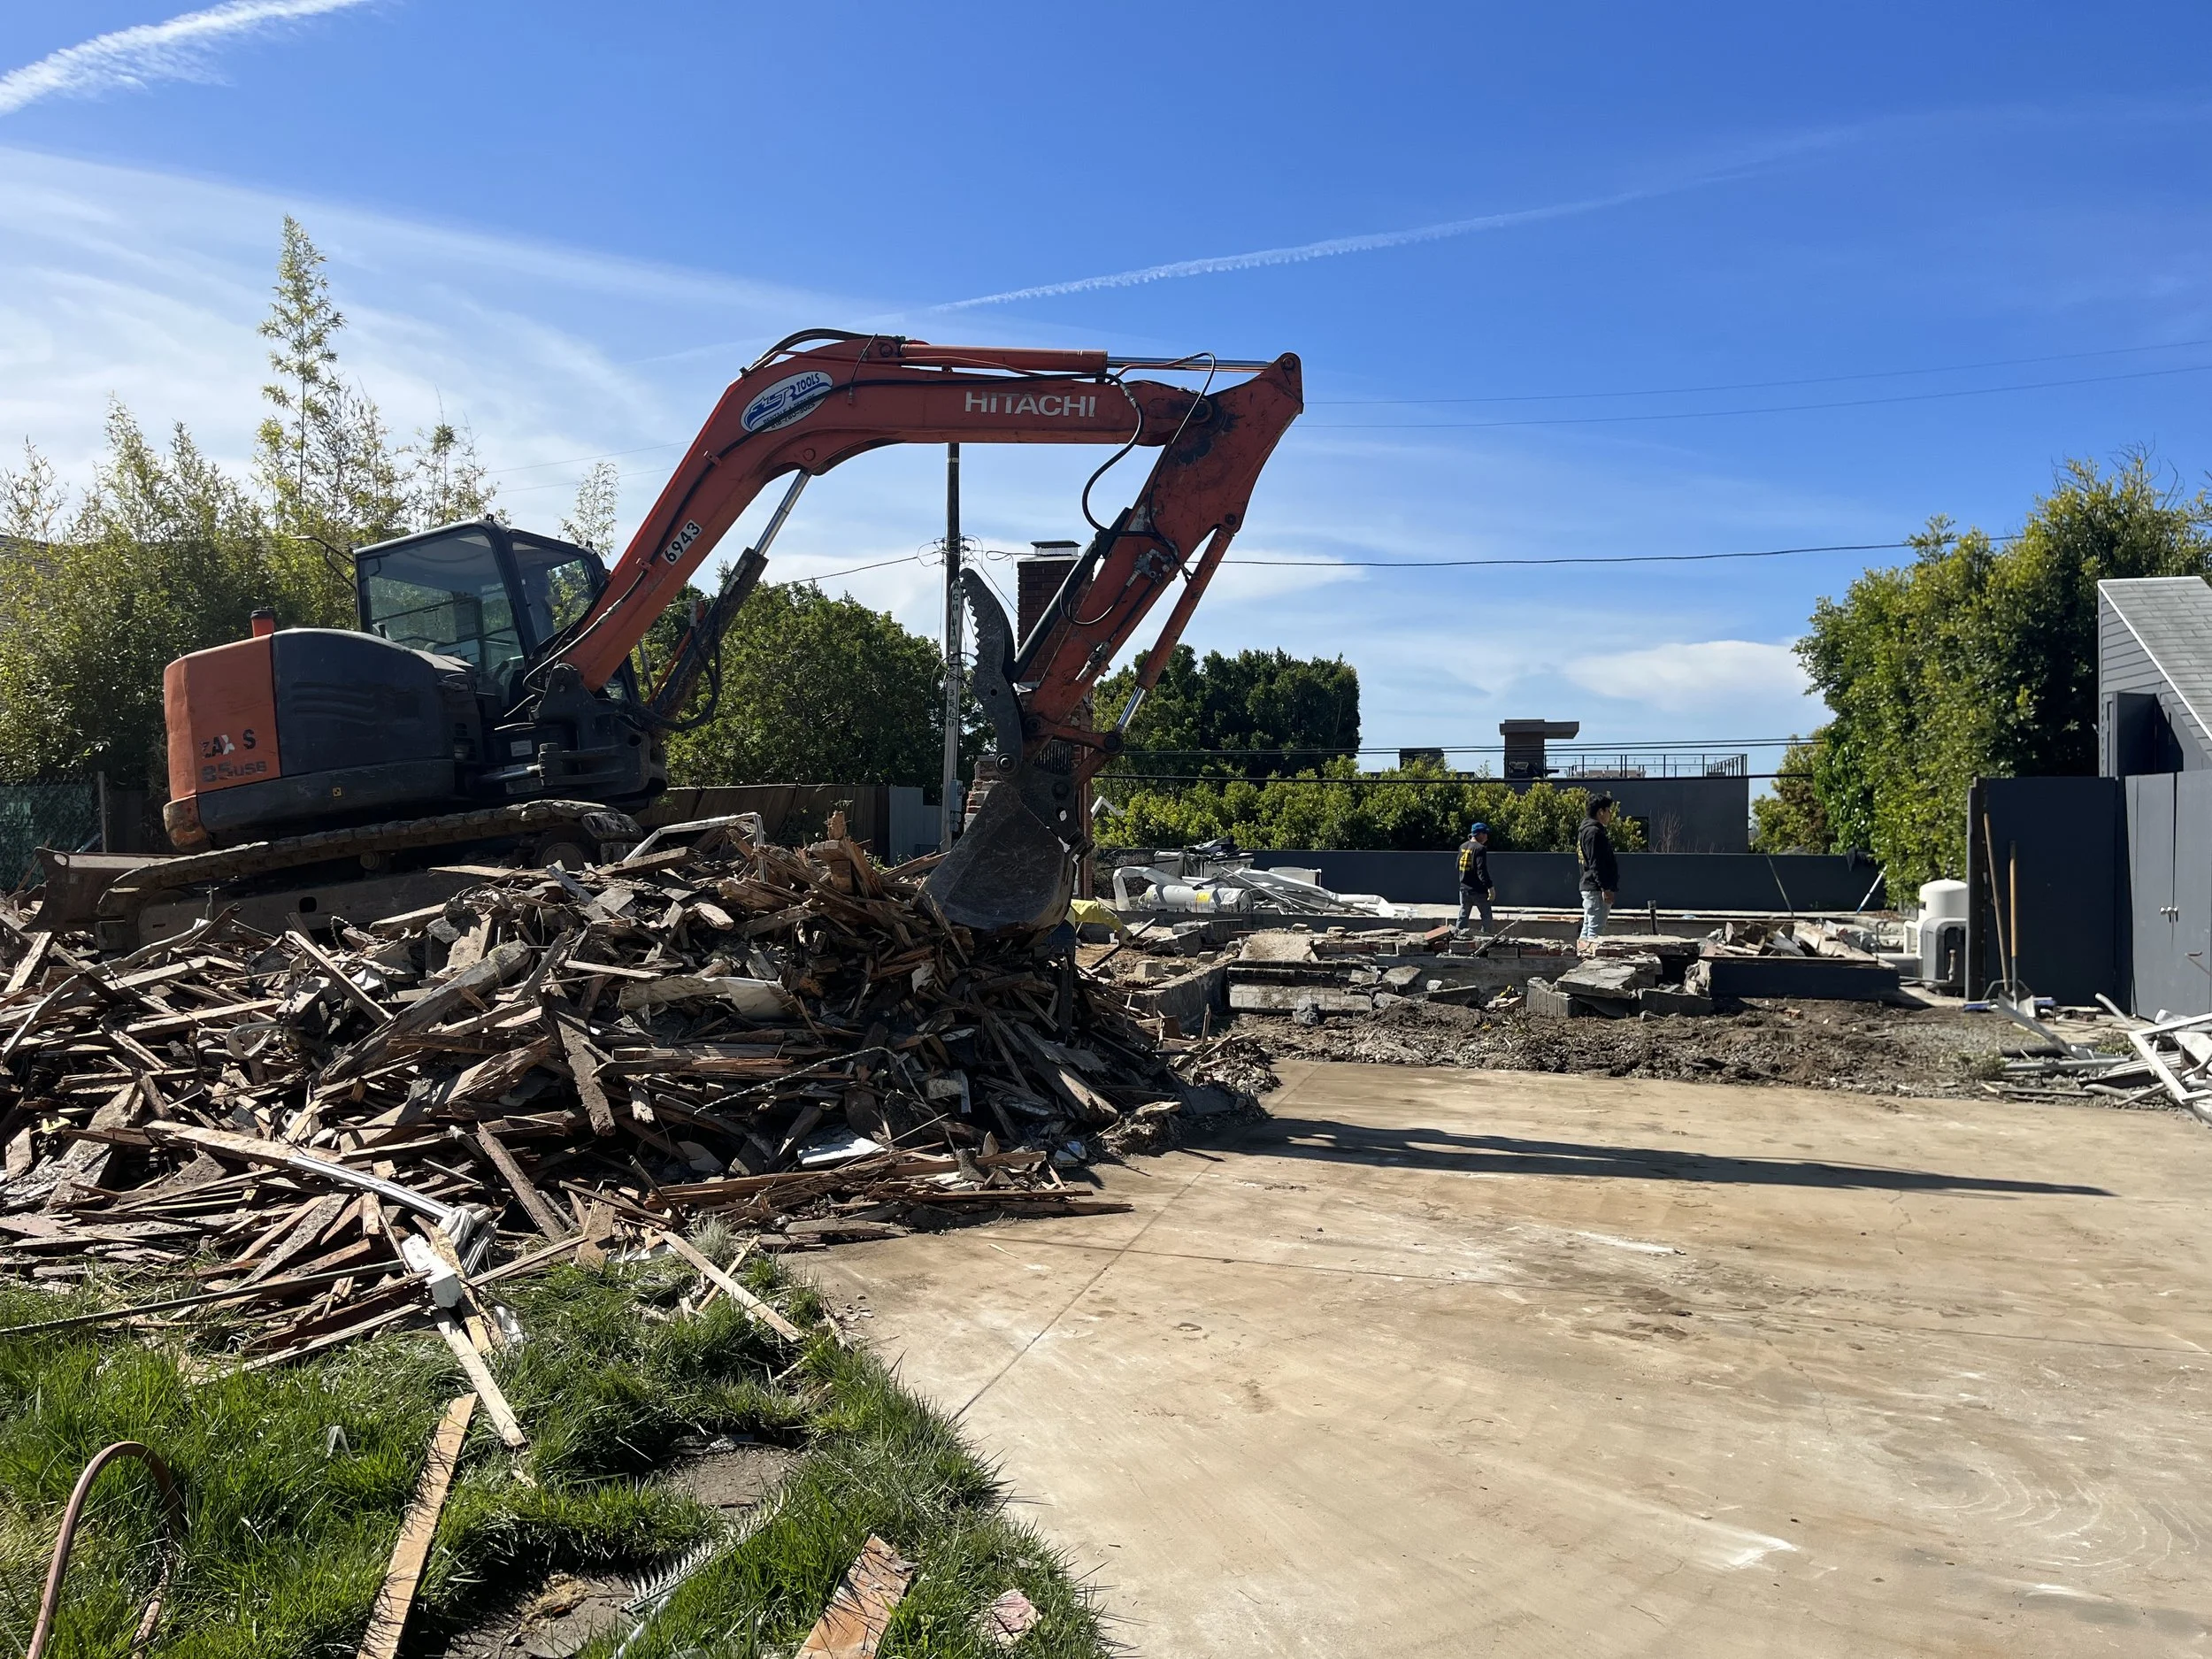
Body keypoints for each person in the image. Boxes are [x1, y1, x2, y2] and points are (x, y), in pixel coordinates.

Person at [1577, 795, 1618, 945]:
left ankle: (1581, 959)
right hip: (1596, 890)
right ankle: (1591, 965)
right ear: (1601, 812)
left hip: (1590, 886)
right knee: (1595, 934)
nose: (1610, 814)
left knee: (1588, 930)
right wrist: (1605, 888)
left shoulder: (1585, 831)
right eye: (1608, 810)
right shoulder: (1594, 833)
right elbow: (1597, 863)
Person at [1455, 821, 1495, 935]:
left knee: (1463, 916)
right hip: (1478, 891)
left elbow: (1457, 865)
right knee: (1486, 917)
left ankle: (1457, 938)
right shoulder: (1480, 848)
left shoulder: (1462, 846)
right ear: (1479, 834)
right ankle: (1486, 939)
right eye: (1485, 833)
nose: (1487, 836)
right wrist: (1490, 887)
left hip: (1464, 890)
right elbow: (1481, 870)